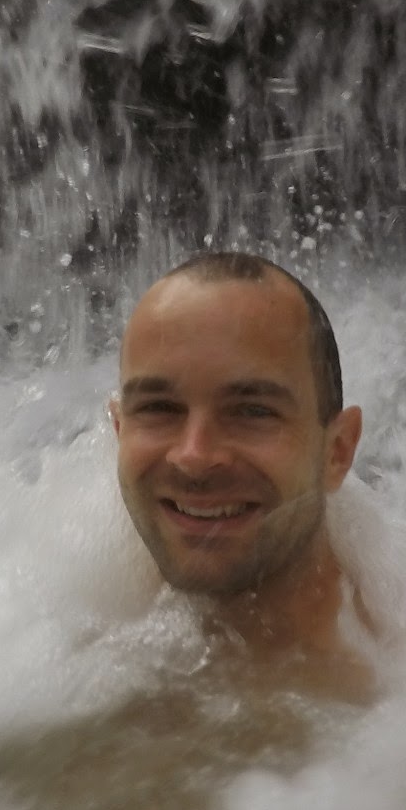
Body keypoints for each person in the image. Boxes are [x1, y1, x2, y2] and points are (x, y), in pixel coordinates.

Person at [109, 251, 371, 684]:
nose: (194, 456)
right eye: (159, 408)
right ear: (119, 430)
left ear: (338, 452)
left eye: (251, 411)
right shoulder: (44, 626)